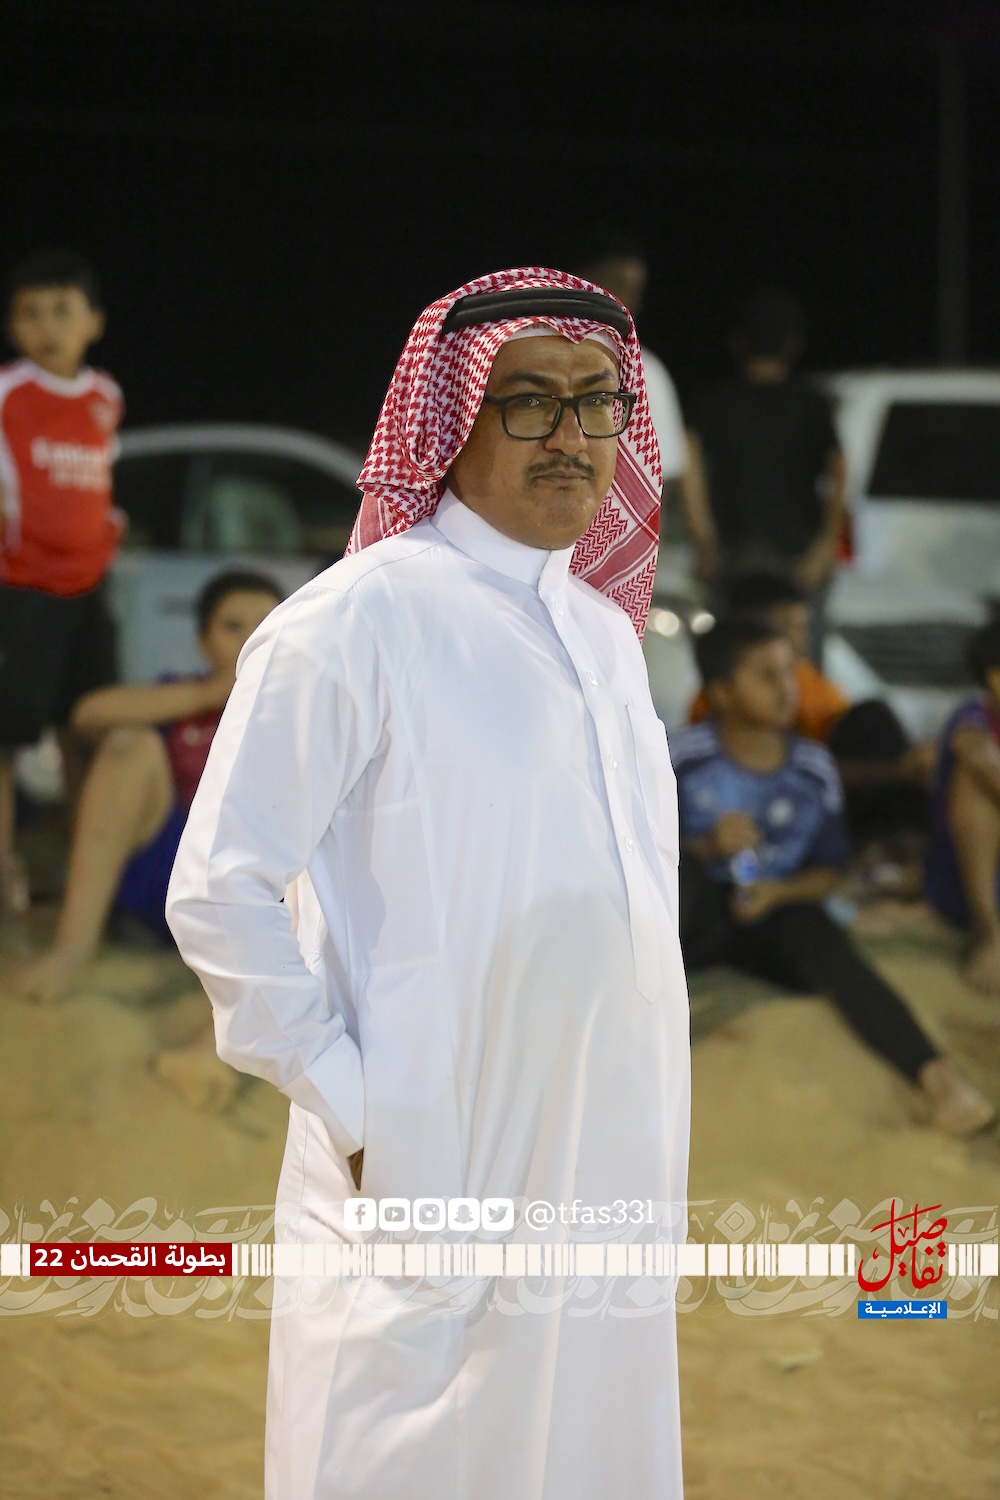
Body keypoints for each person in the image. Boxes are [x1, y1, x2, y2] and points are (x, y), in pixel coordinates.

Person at [167, 268, 690, 1499]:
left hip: (605, 1146)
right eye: (530, 401)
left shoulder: (606, 636)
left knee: (588, 1442)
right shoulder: (355, 621)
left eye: (598, 402)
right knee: (407, 1445)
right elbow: (220, 891)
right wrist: (358, 1108)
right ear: (449, 419)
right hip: (430, 1145)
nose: (571, 436)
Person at [670, 614, 994, 1136]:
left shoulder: (813, 767)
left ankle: (937, 1079)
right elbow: (638, 852)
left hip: (775, 914)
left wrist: (779, 892)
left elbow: (830, 871)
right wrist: (707, 845)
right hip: (696, 915)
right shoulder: (681, 757)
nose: (787, 689)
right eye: (766, 676)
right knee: (675, 890)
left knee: (828, 944)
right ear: (722, 693)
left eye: (790, 672)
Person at [13, 569, 283, 1004]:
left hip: (256, 897)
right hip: (169, 871)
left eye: (266, 626)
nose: (250, 640)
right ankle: (72, 949)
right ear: (203, 642)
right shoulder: (181, 696)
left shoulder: (302, 707)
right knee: (129, 745)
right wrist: (207, 695)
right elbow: (88, 716)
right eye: (232, 626)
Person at [0, 249, 124, 918]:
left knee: (90, 728)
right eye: (31, 312)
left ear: (94, 322)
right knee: (7, 737)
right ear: (13, 326)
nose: (47, 326)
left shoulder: (106, 397)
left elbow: (99, 478)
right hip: (23, 593)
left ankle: (86, 874)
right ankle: (4, 874)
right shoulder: (9, 393)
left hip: (89, 592)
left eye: (62, 311)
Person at [688, 570, 934, 838]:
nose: (802, 641)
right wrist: (894, 772)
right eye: (791, 627)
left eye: (804, 627)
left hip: (807, 807)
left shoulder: (812, 687)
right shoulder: (710, 710)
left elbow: (824, 762)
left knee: (873, 718)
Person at [685, 290, 846, 657]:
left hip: (735, 558)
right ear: (794, 345)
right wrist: (825, 546)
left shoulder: (714, 404)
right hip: (800, 559)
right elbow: (839, 471)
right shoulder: (812, 403)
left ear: (737, 343)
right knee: (801, 666)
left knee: (738, 660)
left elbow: (690, 471)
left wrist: (705, 543)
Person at [572, 229, 693, 515]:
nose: (629, 301)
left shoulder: (647, 370)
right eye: (618, 285)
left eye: (636, 291)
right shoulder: (531, 356)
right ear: (581, 282)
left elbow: (660, 479)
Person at [924, 619, 1000, 995]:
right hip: (966, 886)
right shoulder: (973, 721)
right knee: (975, 781)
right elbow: (976, 753)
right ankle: (989, 933)